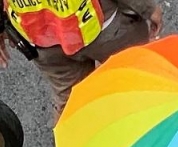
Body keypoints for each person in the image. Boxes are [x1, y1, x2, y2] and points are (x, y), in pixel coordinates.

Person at [0, 0, 163, 120]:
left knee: (72, 105)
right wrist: (147, 8)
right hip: (103, 27)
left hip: (41, 40)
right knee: (141, 77)